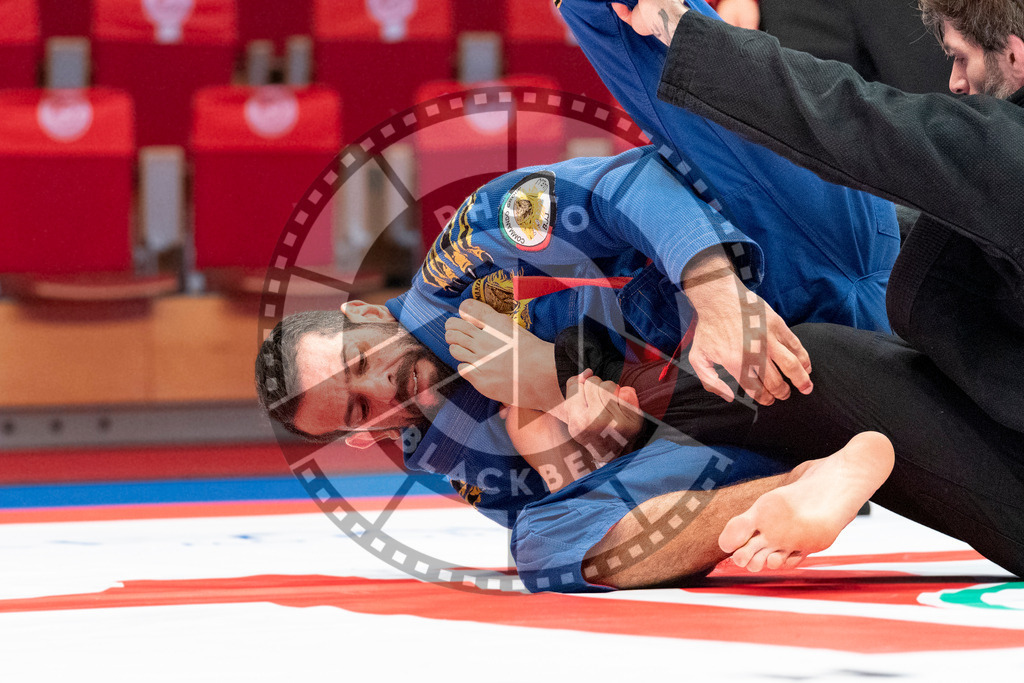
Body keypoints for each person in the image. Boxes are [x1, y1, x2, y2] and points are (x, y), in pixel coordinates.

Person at [255, 0, 902, 592]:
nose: (388, 388)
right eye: (362, 406)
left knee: (614, 26)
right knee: (543, 548)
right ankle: (800, 488)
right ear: (361, 437)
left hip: (785, 253)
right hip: (771, 407)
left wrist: (716, 296)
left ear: (364, 314)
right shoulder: (448, 454)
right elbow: (593, 482)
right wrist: (567, 404)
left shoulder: (466, 254)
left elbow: (631, 186)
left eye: (362, 359)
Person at [604, 0, 1024, 576]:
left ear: (1015, 54)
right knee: (814, 355)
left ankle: (636, 416)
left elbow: (849, 114)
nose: (953, 82)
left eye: (960, 59)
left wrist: (678, 25)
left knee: (790, 371)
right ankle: (643, 414)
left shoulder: (1008, 152)